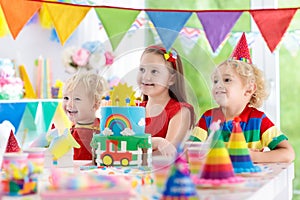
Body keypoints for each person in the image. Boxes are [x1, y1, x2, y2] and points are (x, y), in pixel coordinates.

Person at [191, 33, 295, 163]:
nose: (218, 85)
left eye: (227, 80)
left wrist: (254, 157)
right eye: (216, 81)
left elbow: (288, 153)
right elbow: (188, 152)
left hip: (252, 181)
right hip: (216, 180)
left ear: (249, 89)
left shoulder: (258, 120)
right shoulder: (208, 118)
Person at [137, 45, 195, 157]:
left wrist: (157, 142)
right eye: (142, 69)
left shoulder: (181, 112)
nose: (146, 77)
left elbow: (168, 155)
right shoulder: (136, 109)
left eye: (154, 71)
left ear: (171, 79)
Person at [62, 71, 108, 160]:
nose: (69, 104)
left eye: (77, 99)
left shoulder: (91, 135)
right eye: (66, 98)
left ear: (95, 104)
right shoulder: (80, 126)